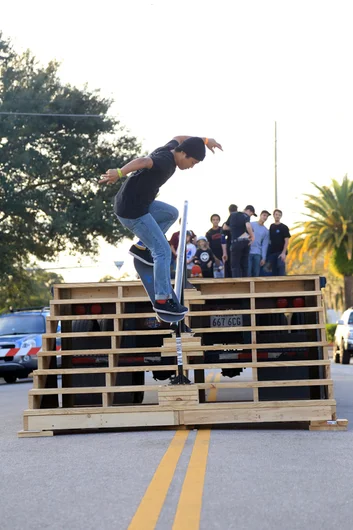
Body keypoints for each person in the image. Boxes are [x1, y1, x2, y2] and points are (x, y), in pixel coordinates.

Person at [99, 136, 222, 316]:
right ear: (184, 154)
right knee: (163, 251)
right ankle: (162, 300)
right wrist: (120, 172)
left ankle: (142, 247)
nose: (191, 167)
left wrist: (204, 140)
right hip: (132, 212)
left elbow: (180, 137)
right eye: (193, 162)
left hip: (136, 203)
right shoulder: (164, 161)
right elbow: (144, 161)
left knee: (171, 213)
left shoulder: (172, 148)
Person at [222, 205, 256, 278]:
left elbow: (224, 227)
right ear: (249, 211)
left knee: (235, 266)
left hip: (235, 242)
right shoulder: (246, 216)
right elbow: (248, 226)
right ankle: (245, 284)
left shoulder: (232, 215)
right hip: (245, 242)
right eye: (251, 214)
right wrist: (252, 236)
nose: (250, 215)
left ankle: (236, 284)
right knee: (244, 265)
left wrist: (234, 228)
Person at [268, 209, 291, 276]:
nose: (277, 216)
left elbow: (286, 241)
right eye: (276, 214)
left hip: (281, 253)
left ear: (281, 216)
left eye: (279, 215)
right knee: (273, 271)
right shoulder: (271, 226)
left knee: (281, 268)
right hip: (272, 253)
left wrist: (283, 253)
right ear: (274, 215)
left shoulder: (284, 227)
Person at [248, 210, 270, 276]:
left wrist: (263, 258)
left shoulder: (266, 231)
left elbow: (264, 245)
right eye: (264, 215)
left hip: (257, 253)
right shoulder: (251, 224)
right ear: (260, 215)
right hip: (248, 252)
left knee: (256, 273)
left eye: (266, 216)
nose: (265, 217)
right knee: (248, 272)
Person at [222, 204, 238, 277]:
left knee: (232, 266)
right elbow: (223, 236)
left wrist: (224, 252)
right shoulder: (227, 223)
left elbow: (222, 239)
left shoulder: (227, 224)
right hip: (233, 246)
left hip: (232, 246)